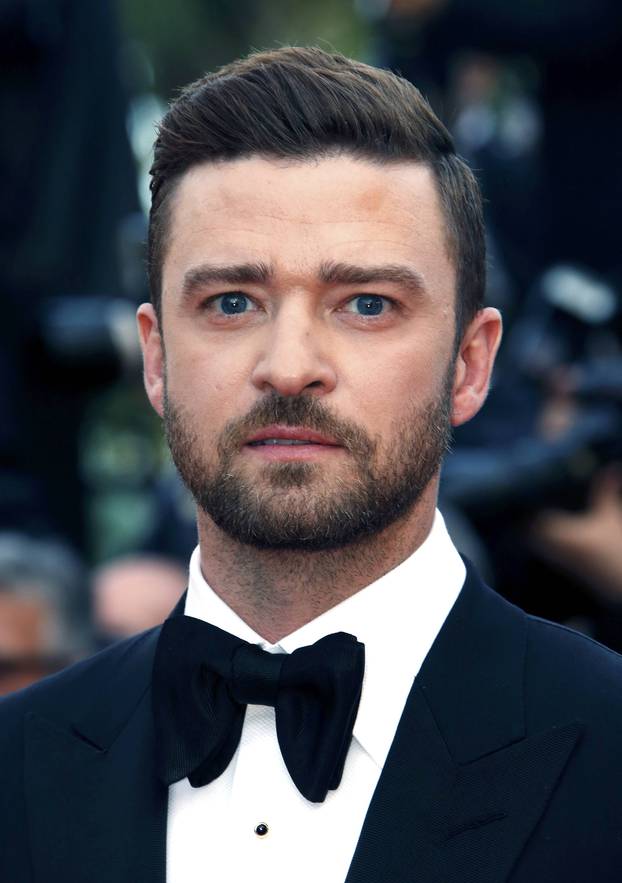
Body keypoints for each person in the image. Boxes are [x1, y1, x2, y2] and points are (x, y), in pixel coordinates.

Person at [1, 46, 622, 883]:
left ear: (470, 364)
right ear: (155, 358)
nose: (289, 365)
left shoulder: (605, 746)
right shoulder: (18, 768)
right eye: (231, 303)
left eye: (367, 304)